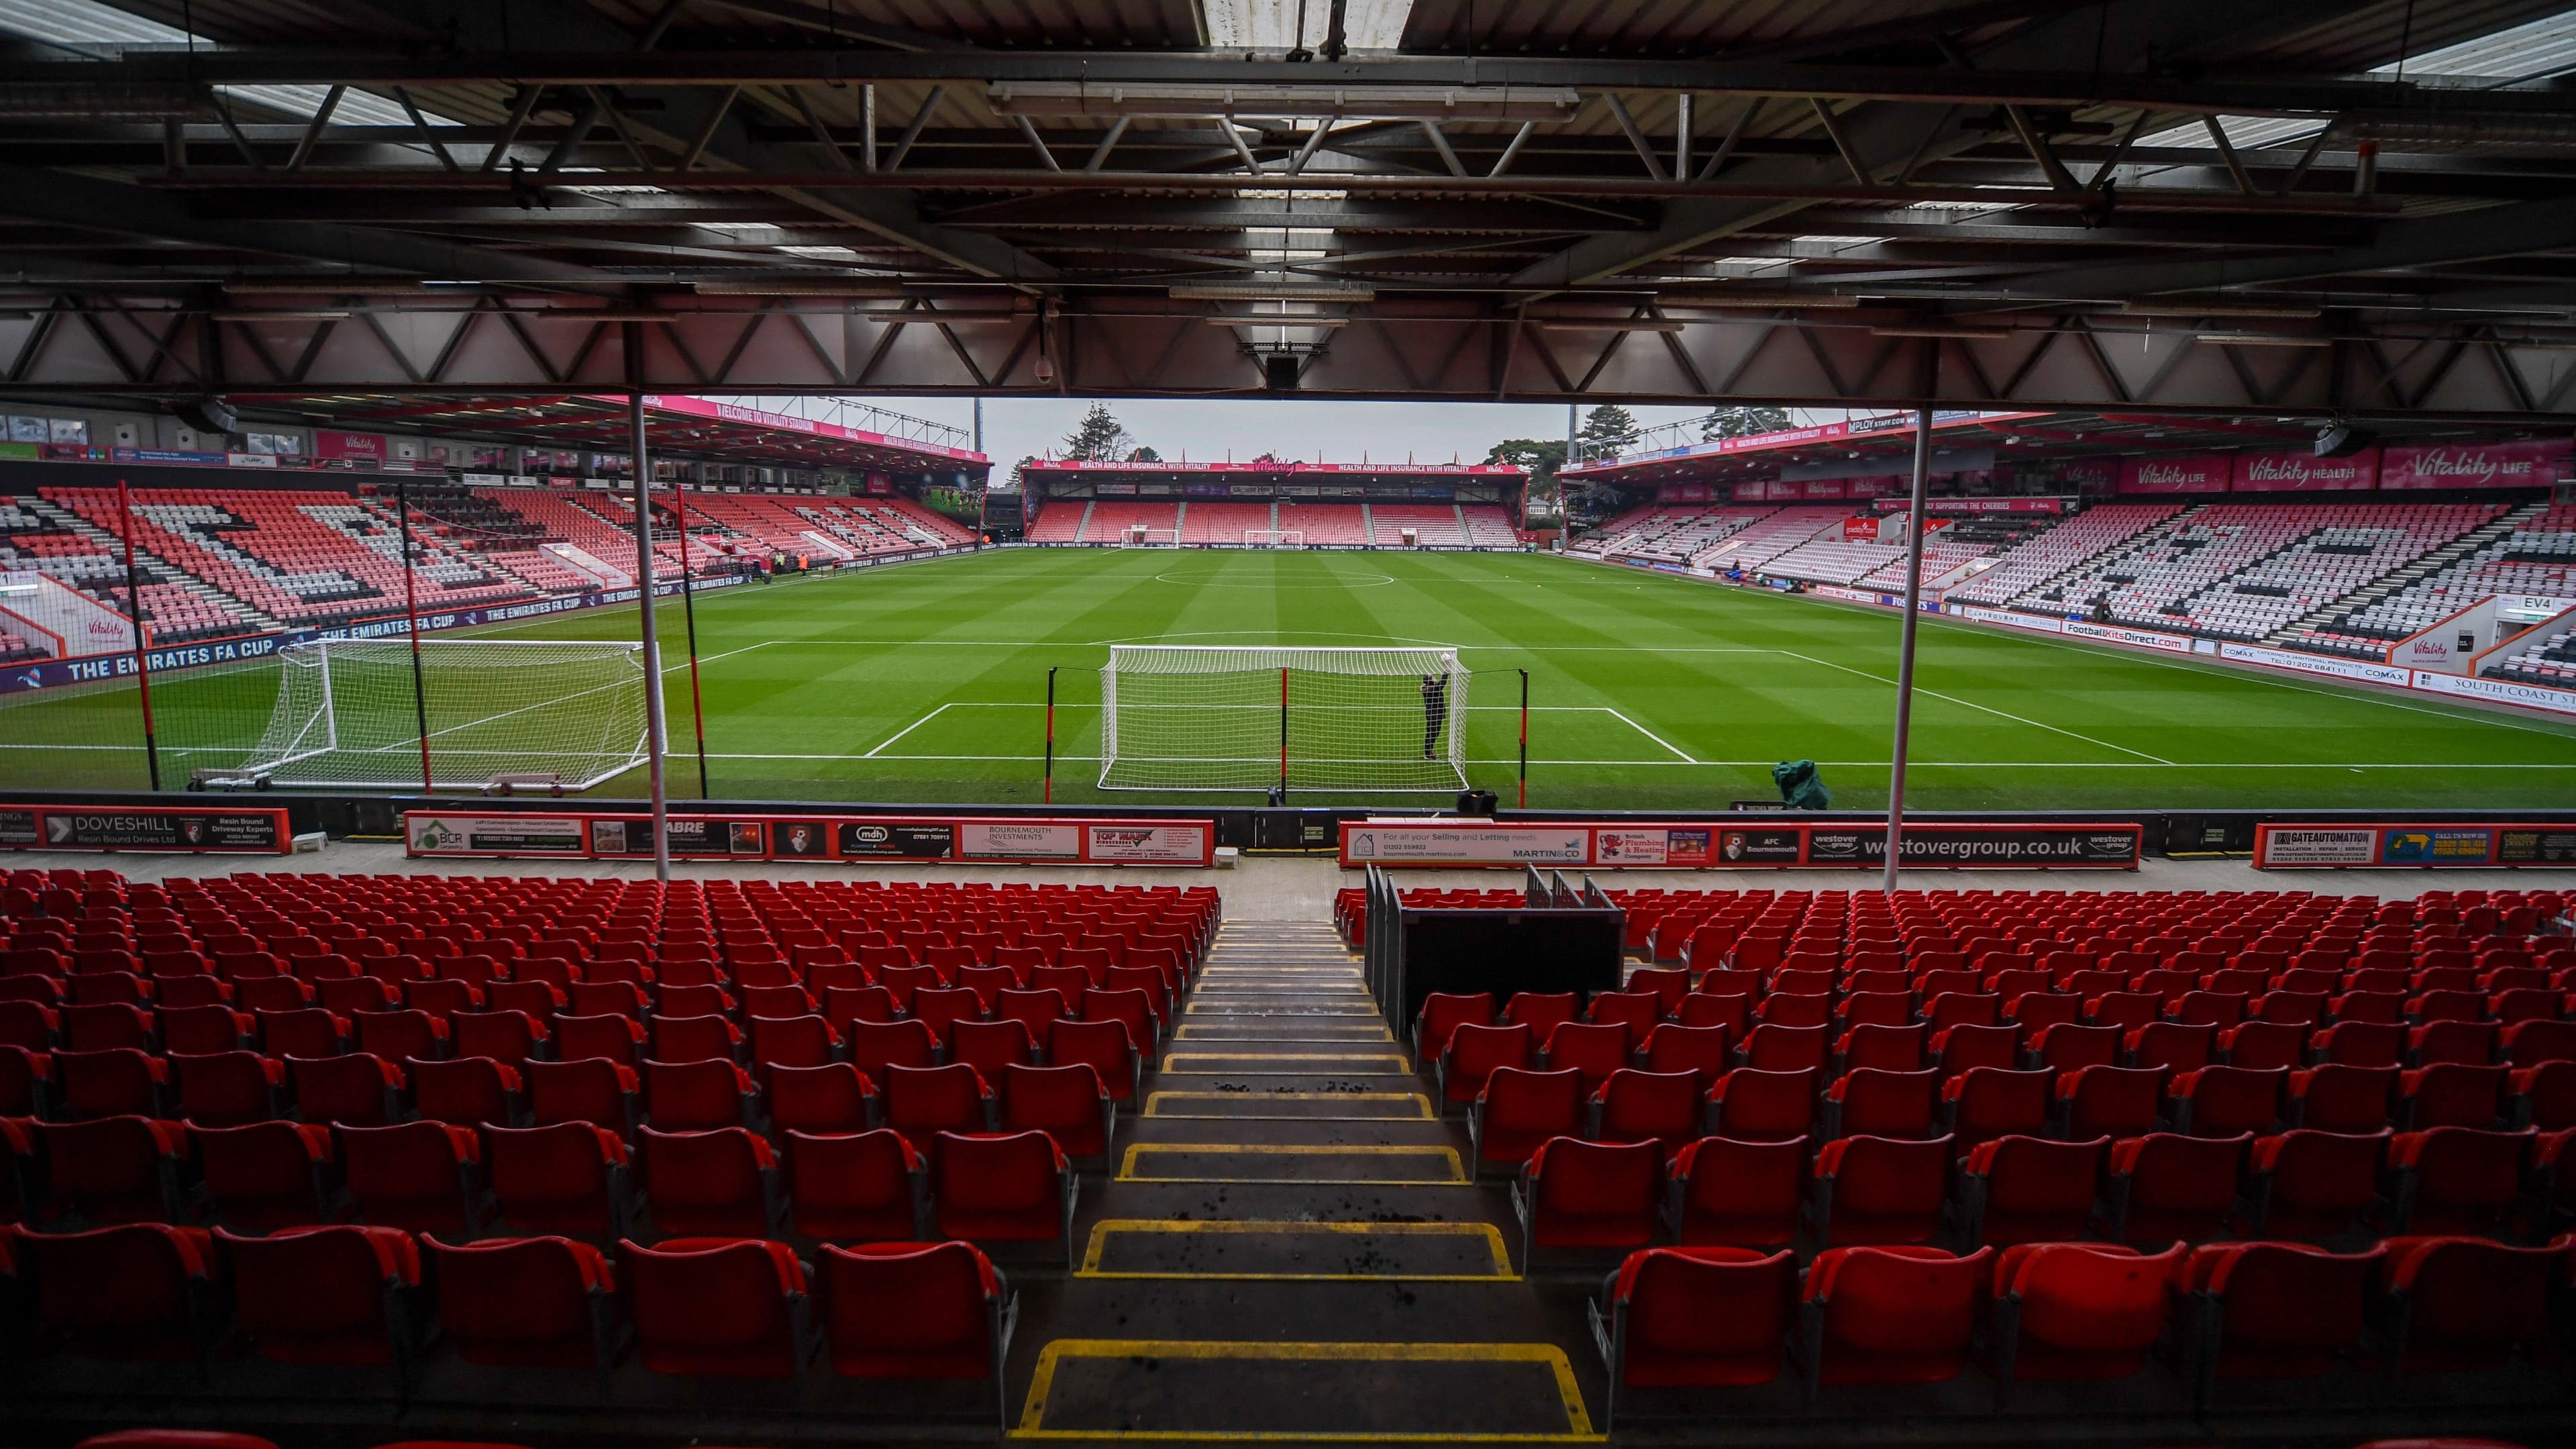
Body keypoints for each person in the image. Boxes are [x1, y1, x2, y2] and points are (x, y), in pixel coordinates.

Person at [1421, 672, 1448, 760]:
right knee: (1433, 734)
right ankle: (1428, 754)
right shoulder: (1434, 689)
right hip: (1435, 715)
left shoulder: (1427, 688)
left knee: (1430, 733)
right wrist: (1446, 671)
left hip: (1431, 714)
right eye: (1433, 677)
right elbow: (1442, 683)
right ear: (1430, 681)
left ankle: (1428, 752)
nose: (1435, 677)